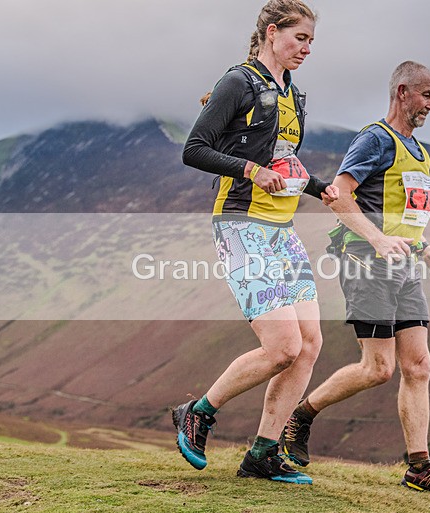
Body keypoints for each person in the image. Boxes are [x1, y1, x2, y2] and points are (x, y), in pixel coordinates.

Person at [280, 61, 430, 496]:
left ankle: (419, 468)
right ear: (402, 92)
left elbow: (404, 217)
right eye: (426, 95)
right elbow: (339, 195)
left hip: (405, 267)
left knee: (419, 365)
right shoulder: (375, 139)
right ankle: (301, 416)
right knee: (378, 368)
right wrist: (377, 239)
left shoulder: (419, 152)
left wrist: (426, 249)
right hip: (365, 261)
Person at [173, 0, 338, 486]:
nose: (307, 49)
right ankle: (198, 412)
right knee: (282, 346)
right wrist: (250, 170)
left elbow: (281, 161)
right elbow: (194, 150)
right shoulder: (238, 82)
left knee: (309, 344)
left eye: (311, 41)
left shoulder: (293, 94)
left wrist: (318, 187)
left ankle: (263, 454)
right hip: (241, 225)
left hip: (282, 231)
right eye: (299, 38)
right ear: (271, 32)